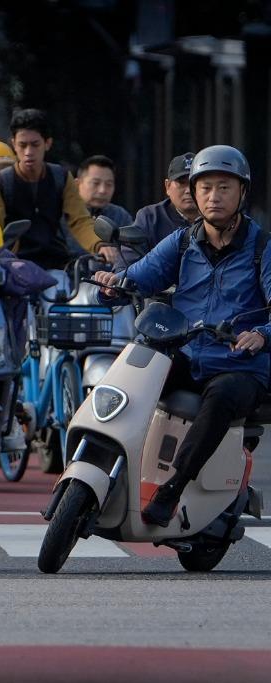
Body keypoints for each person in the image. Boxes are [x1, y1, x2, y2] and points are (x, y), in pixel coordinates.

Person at [94, 145, 270, 527]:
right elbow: (139, 276)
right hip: (187, 354)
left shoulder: (262, 247)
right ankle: (95, 465)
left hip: (240, 364)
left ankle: (172, 488)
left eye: (224, 187)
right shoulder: (183, 241)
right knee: (131, 376)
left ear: (242, 193)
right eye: (204, 188)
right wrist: (111, 285)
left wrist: (261, 334)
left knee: (223, 396)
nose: (212, 196)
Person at [0, 109, 99, 269]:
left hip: (56, 264)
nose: (29, 152)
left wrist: (99, 246)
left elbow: (80, 220)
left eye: (35, 144)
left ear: (47, 144)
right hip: (12, 267)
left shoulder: (61, 177)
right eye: (23, 145)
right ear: (14, 144)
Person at [120, 153, 200, 265]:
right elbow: (127, 264)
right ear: (167, 186)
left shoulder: (219, 217)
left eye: (194, 183)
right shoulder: (150, 217)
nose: (188, 190)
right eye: (181, 183)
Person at [76, 155, 133, 230]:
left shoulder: (120, 216)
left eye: (109, 184)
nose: (102, 190)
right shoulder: (62, 213)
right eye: (95, 183)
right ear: (77, 184)